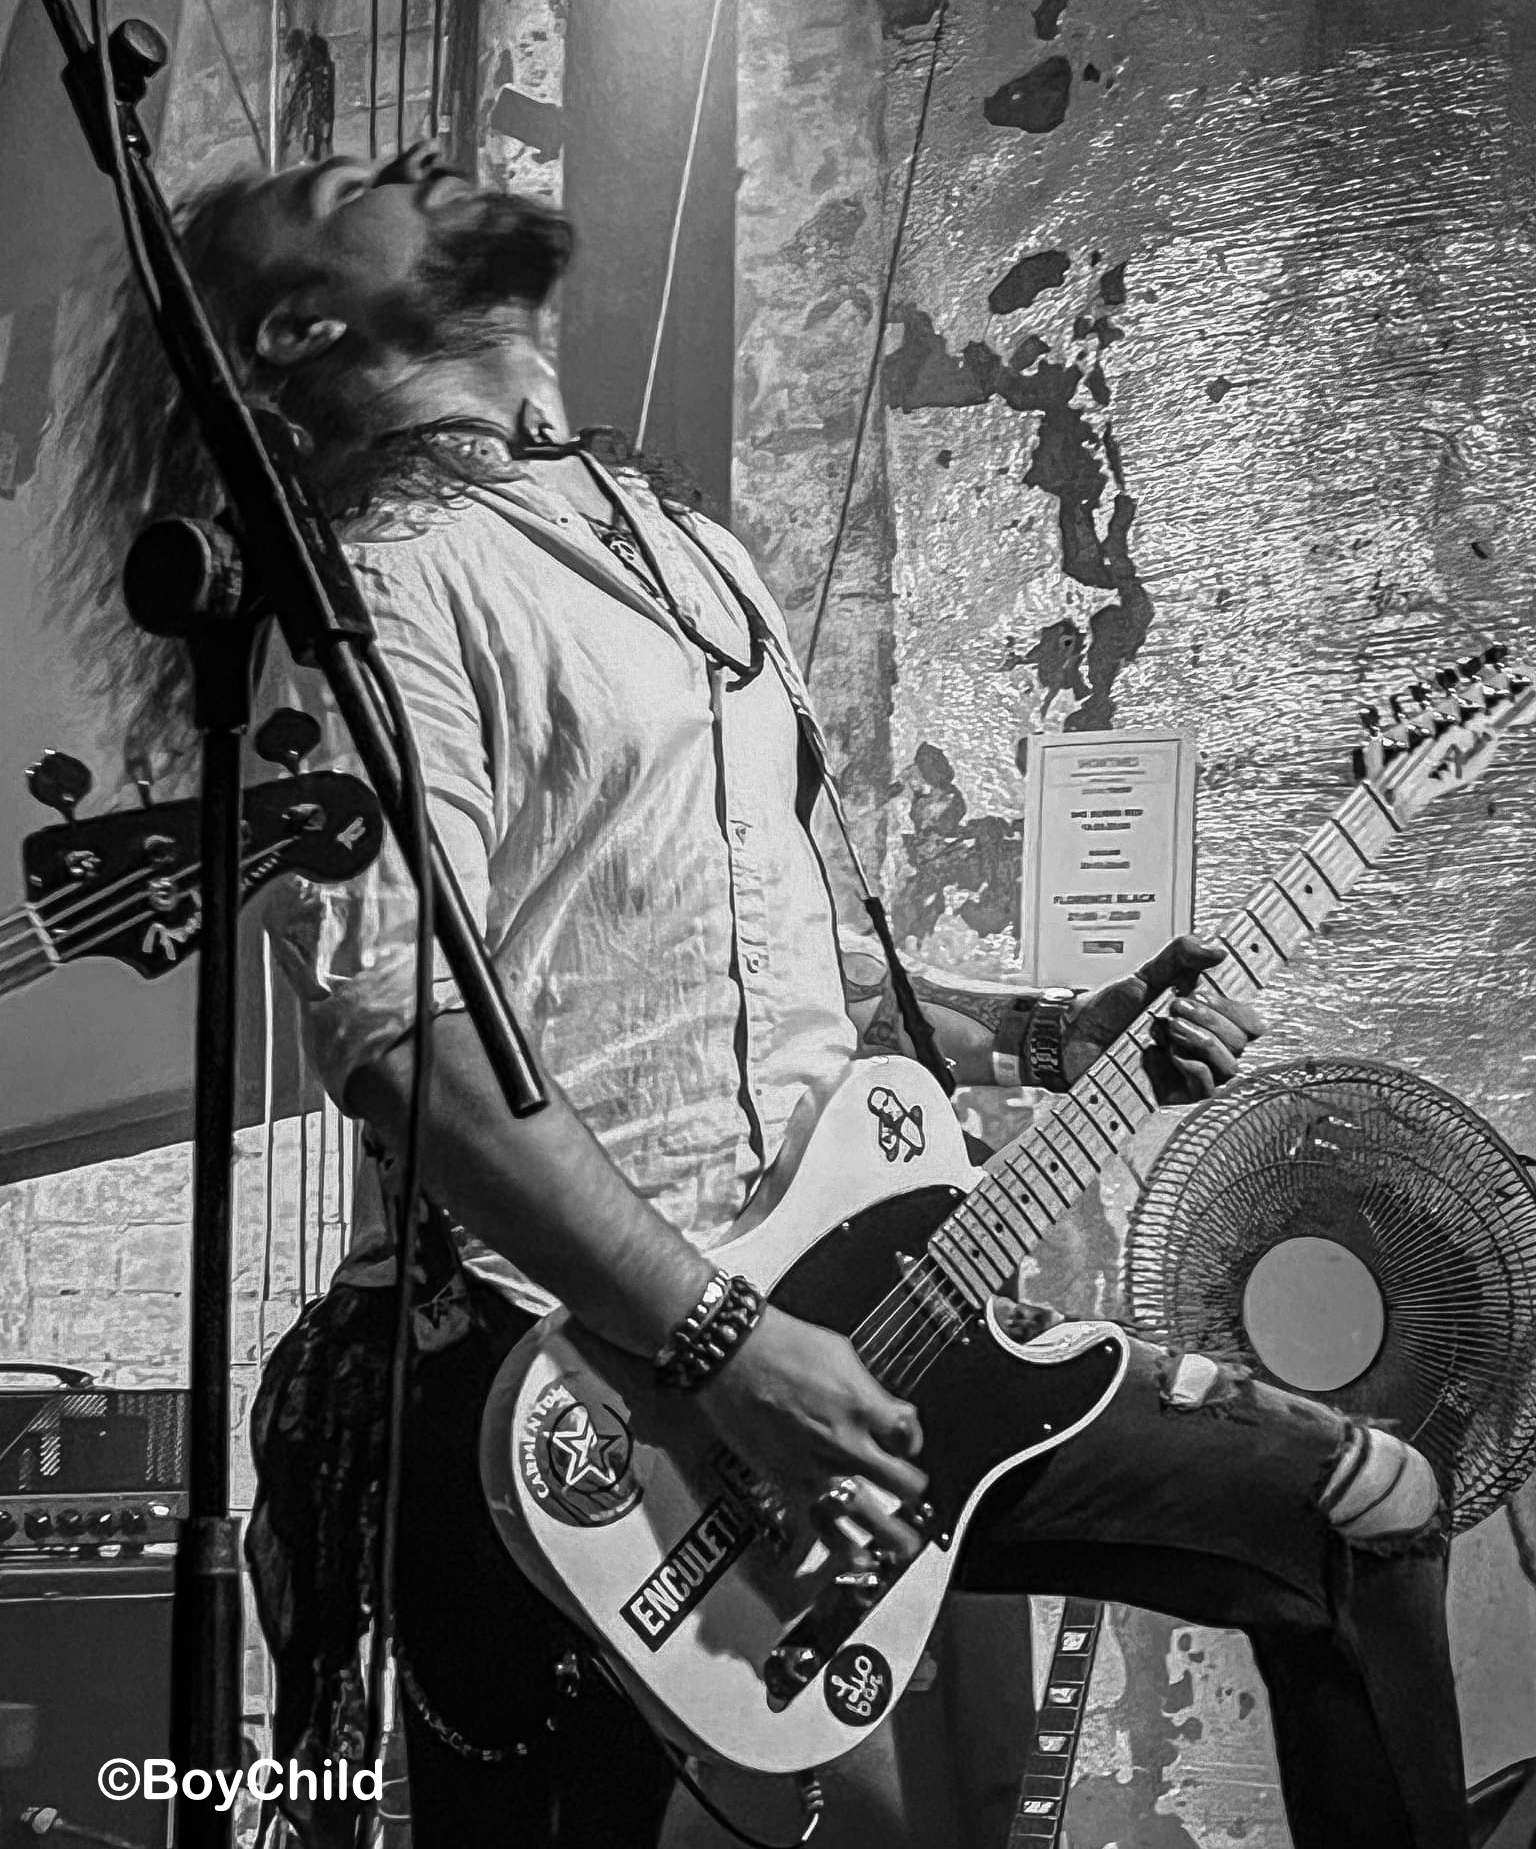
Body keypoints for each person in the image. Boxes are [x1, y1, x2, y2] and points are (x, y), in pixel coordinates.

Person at [63, 142, 1467, 1849]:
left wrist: (1049, 1035)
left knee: (1365, 1514)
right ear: (300, 331)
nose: (419, 157)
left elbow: (795, 962)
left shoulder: (689, 554)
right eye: (355, 179)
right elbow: (401, 1039)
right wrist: (721, 1345)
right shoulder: (380, 585)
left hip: (860, 1320)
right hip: (568, 1391)